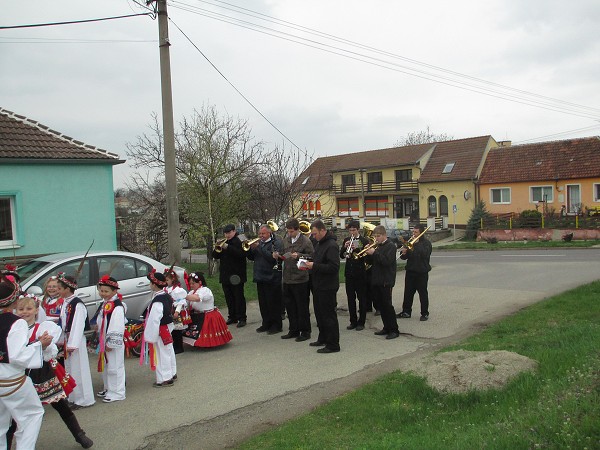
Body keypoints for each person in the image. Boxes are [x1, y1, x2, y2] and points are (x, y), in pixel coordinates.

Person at [13, 295, 93, 448]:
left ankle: (79, 434)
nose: (24, 312)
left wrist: (42, 346)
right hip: (22, 375)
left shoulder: (42, 329)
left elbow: (51, 352)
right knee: (16, 412)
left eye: (29, 308)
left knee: (61, 405)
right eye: (21, 309)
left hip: (42, 373)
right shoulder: (15, 330)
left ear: (37, 310)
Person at [0, 279, 52, 450]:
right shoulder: (17, 323)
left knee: (0, 424)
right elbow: (17, 355)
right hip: (11, 380)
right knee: (31, 416)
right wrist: (39, 346)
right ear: (14, 300)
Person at [57, 273, 95, 409]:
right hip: (68, 339)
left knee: (79, 369)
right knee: (70, 369)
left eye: (59, 288)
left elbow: (77, 325)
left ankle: (84, 399)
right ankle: (74, 396)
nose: (58, 291)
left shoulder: (77, 305)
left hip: (76, 340)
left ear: (67, 289)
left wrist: (72, 344)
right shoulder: (66, 303)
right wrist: (62, 340)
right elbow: (63, 323)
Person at [273, 218, 314, 342]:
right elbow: (282, 254)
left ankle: (305, 331)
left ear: (297, 230)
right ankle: (293, 330)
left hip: (300, 279)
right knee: (290, 306)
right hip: (287, 278)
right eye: (288, 231)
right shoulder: (286, 240)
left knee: (302, 307)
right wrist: (277, 255)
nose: (290, 233)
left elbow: (312, 256)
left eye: (291, 231)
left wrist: (300, 255)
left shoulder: (305, 241)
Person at [304, 220, 340, 354]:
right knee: (320, 314)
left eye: (315, 234)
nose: (313, 236)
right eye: (312, 234)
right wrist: (305, 262)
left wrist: (314, 266)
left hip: (328, 286)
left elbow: (333, 267)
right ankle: (323, 337)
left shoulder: (331, 245)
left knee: (328, 315)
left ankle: (333, 344)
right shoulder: (319, 244)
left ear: (322, 230)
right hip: (318, 284)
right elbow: (316, 259)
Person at [246, 225, 284, 334]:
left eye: (263, 234)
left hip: (272, 277)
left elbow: (272, 258)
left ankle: (276, 325)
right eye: (260, 234)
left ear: (269, 233)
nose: (261, 236)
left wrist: (258, 247)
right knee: (263, 303)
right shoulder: (260, 243)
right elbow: (252, 257)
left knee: (273, 302)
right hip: (260, 276)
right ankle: (266, 323)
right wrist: (249, 249)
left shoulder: (275, 243)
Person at [142, 270, 176, 387]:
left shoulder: (158, 301)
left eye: (150, 283)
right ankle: (172, 372)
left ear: (155, 284)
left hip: (161, 329)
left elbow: (155, 319)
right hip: (167, 327)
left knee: (161, 353)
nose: (149, 285)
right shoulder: (166, 296)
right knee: (168, 350)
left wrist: (150, 335)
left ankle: (165, 378)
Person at [94, 275, 126, 403]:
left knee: (115, 366)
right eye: (101, 291)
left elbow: (116, 326)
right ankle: (108, 387)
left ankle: (118, 392)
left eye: (106, 291)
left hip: (112, 342)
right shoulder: (105, 304)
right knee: (107, 365)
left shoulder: (117, 307)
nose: (103, 293)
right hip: (104, 339)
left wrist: (111, 342)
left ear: (114, 291)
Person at [366, 226, 400, 339]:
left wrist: (374, 253)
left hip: (386, 280)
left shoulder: (390, 246)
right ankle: (386, 327)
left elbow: (386, 261)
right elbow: (372, 262)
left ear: (384, 235)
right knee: (381, 305)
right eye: (375, 236)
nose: (376, 239)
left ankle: (394, 329)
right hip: (377, 280)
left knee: (387, 306)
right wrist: (367, 254)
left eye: (378, 236)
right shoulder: (378, 246)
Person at [182, 272, 232, 348]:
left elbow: (197, 298)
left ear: (200, 282)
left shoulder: (205, 290)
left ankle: (209, 343)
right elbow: (188, 302)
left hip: (207, 315)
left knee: (206, 331)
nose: (191, 285)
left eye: (193, 283)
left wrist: (183, 295)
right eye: (190, 284)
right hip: (197, 315)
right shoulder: (192, 292)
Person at [211, 224, 247, 328]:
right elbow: (215, 255)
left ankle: (242, 318)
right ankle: (232, 316)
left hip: (237, 275)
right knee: (229, 297)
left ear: (234, 231)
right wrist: (217, 247)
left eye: (229, 233)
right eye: (226, 233)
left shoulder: (239, 240)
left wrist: (228, 247)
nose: (227, 235)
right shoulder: (224, 242)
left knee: (238, 297)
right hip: (226, 275)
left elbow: (241, 254)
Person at [397, 224, 433, 321]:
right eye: (413, 232)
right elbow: (404, 257)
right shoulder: (410, 242)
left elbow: (425, 254)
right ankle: (406, 311)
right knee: (408, 293)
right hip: (410, 271)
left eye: (416, 232)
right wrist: (403, 252)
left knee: (423, 293)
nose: (413, 234)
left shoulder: (426, 243)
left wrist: (416, 244)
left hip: (422, 272)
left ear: (421, 233)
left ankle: (424, 313)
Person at [340, 220, 371, 331]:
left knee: (361, 298)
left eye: (354, 230)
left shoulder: (364, 240)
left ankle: (361, 322)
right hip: (349, 273)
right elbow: (342, 256)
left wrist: (357, 248)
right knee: (350, 298)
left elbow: (367, 257)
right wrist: (345, 247)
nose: (352, 232)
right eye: (350, 230)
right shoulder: (346, 240)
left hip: (360, 273)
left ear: (358, 229)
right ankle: (353, 321)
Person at [164, 269, 190, 354]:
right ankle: (174, 346)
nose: (166, 282)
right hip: (170, 310)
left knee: (177, 330)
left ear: (173, 279)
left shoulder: (178, 290)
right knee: (172, 329)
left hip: (175, 312)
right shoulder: (166, 289)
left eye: (167, 280)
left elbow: (180, 302)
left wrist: (177, 312)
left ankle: (179, 347)